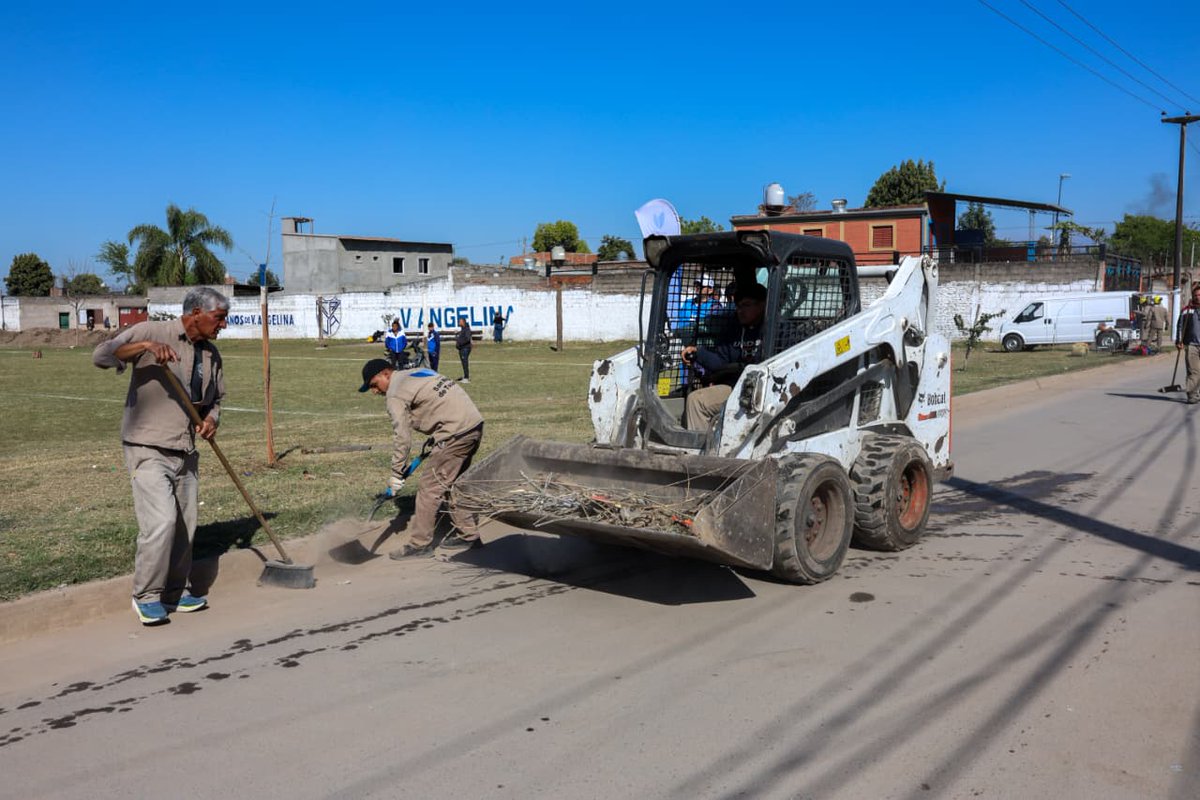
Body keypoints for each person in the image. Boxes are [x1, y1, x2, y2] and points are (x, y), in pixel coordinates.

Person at [92, 286, 229, 625]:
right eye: (219, 318)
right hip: (147, 446)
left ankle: (174, 592)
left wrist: (211, 419)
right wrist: (145, 348)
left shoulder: (211, 354)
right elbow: (102, 355)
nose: (223, 325)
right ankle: (146, 595)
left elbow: (217, 399)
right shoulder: (153, 331)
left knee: (185, 525)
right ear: (195, 313)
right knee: (162, 520)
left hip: (185, 448)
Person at [359, 358, 485, 559]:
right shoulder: (415, 372)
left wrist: (396, 473)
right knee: (453, 484)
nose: (375, 391)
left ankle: (420, 545)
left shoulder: (394, 393)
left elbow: (402, 436)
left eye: (374, 385)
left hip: (454, 432)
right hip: (473, 425)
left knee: (429, 489)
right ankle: (469, 536)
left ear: (386, 373)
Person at [681, 283, 767, 432]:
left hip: (768, 390)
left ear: (763, 305)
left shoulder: (778, 331)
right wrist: (698, 353)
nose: (740, 311)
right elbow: (720, 362)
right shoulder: (734, 331)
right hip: (736, 387)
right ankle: (700, 450)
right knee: (697, 400)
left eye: (746, 305)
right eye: (738, 306)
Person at [1176, 282, 1200, 404]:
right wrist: (1179, 341)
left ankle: (1196, 391)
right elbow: (1180, 326)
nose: (1198, 297)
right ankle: (1192, 395)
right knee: (1193, 371)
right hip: (1192, 346)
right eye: (1196, 295)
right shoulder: (1187, 310)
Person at [455, 317, 473, 383]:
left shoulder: (467, 329)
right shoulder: (463, 329)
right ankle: (465, 376)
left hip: (465, 348)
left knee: (465, 362)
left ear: (463, 322)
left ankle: (466, 378)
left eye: (460, 321)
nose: (459, 322)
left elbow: (468, 339)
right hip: (462, 348)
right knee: (463, 362)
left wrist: (460, 343)